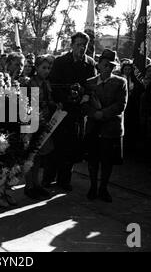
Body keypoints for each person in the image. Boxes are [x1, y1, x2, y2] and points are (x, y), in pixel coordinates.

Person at [49, 32, 97, 192]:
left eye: (84, 45)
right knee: (56, 146)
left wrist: (84, 95)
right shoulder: (60, 62)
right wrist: (65, 98)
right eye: (78, 44)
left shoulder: (90, 64)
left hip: (77, 112)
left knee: (71, 147)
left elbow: (91, 87)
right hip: (60, 109)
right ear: (72, 45)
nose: (81, 47)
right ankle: (48, 178)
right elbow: (53, 85)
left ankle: (64, 180)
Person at [83, 49, 128, 203]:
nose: (108, 68)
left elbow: (121, 104)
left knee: (107, 161)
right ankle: (93, 187)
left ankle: (103, 188)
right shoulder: (90, 83)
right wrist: (93, 113)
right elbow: (84, 103)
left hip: (111, 128)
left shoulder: (120, 82)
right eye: (105, 64)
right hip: (93, 127)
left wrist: (103, 114)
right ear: (99, 65)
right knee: (93, 159)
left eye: (111, 65)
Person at [24, 55, 57, 200]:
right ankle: (29, 185)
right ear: (36, 68)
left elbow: (49, 100)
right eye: (43, 67)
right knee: (30, 156)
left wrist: (55, 106)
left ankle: (37, 184)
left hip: (44, 122)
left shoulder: (47, 83)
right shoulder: (30, 83)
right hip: (32, 122)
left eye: (49, 68)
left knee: (38, 155)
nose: (46, 70)